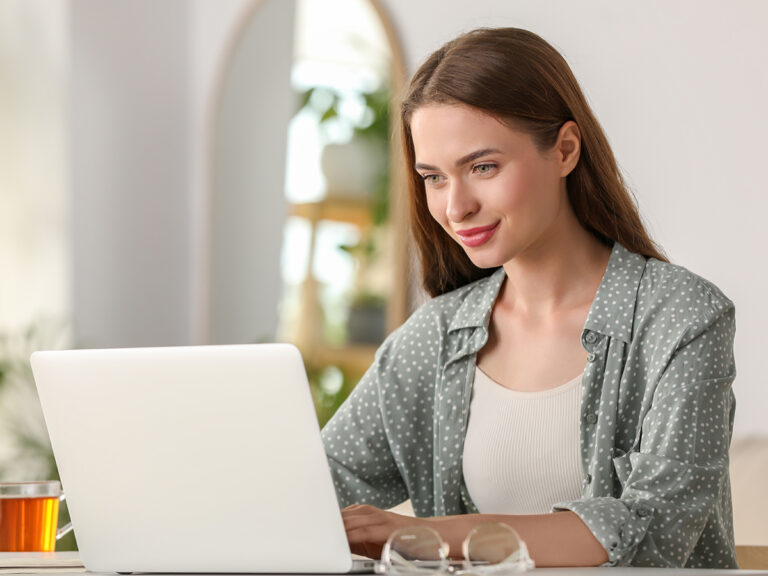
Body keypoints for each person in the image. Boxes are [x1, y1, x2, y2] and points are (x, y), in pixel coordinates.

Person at [321, 27, 737, 568]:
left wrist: (427, 534)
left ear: (565, 150)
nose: (455, 207)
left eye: (482, 167)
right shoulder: (436, 338)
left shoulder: (682, 319)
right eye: (434, 177)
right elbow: (314, 487)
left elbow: (653, 531)